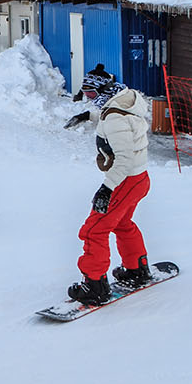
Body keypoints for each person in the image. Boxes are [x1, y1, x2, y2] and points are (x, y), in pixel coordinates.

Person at [68, 89, 151, 304]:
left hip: (124, 181)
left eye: (93, 92)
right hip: (139, 180)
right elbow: (111, 118)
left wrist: (106, 188)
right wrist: (87, 116)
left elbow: (123, 159)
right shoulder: (126, 106)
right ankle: (136, 268)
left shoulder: (115, 118)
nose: (89, 96)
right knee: (122, 223)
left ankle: (94, 285)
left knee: (94, 229)